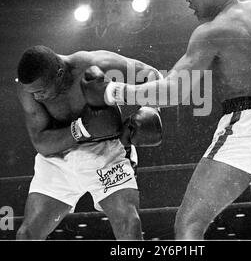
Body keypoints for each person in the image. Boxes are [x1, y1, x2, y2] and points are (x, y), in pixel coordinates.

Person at [82, 0, 251, 240]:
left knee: (188, 226)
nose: (188, 0)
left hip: (248, 124)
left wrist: (111, 91)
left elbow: (172, 91)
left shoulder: (211, 31)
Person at [16, 45, 163, 240]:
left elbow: (152, 76)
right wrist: (83, 128)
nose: (36, 97)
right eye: (32, 92)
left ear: (59, 74)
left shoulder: (95, 64)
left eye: (41, 91)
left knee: (129, 224)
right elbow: (41, 143)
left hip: (106, 153)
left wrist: (150, 110)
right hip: (58, 158)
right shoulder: (29, 88)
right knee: (27, 235)